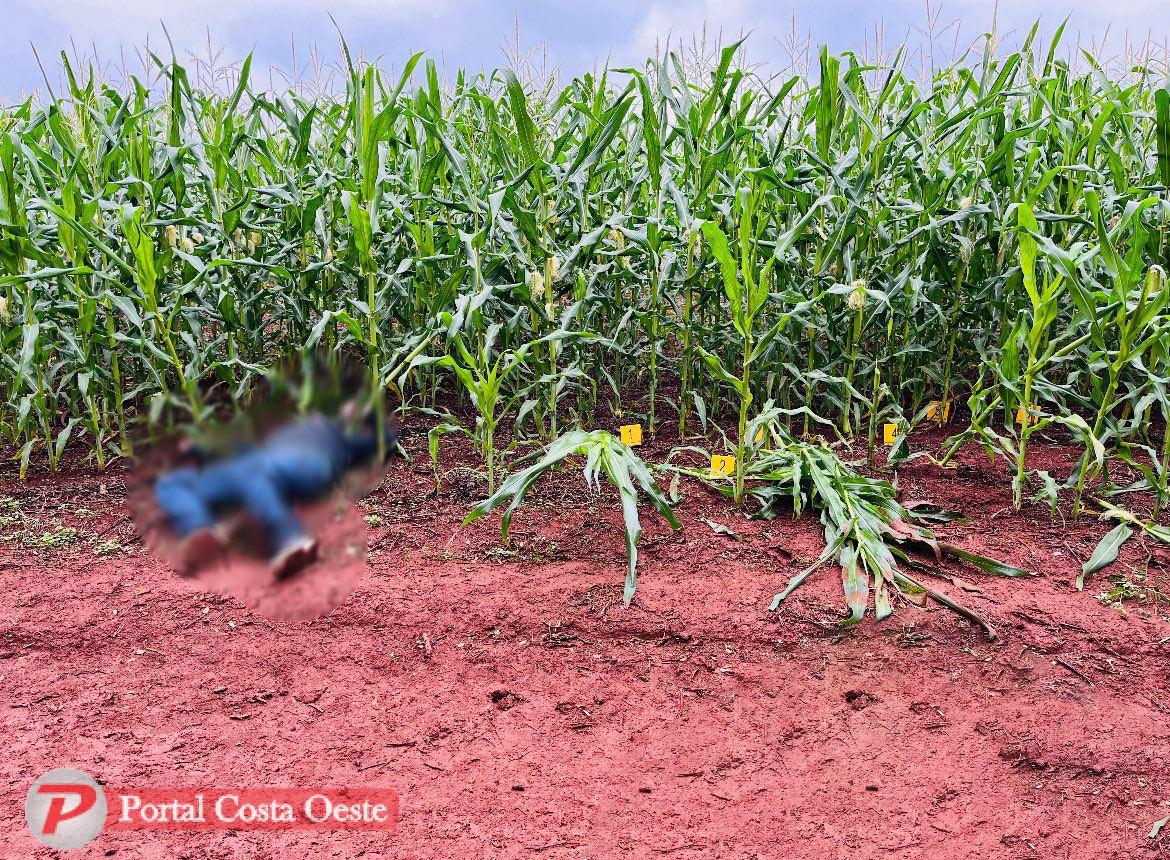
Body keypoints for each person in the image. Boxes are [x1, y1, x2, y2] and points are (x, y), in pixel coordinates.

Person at [154, 406, 400, 580]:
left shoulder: (337, 436)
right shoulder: (288, 425)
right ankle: (199, 530)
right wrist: (196, 449)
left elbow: (386, 441)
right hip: (251, 465)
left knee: (255, 470)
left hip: (304, 465)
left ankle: (288, 538)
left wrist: (370, 414)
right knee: (171, 482)